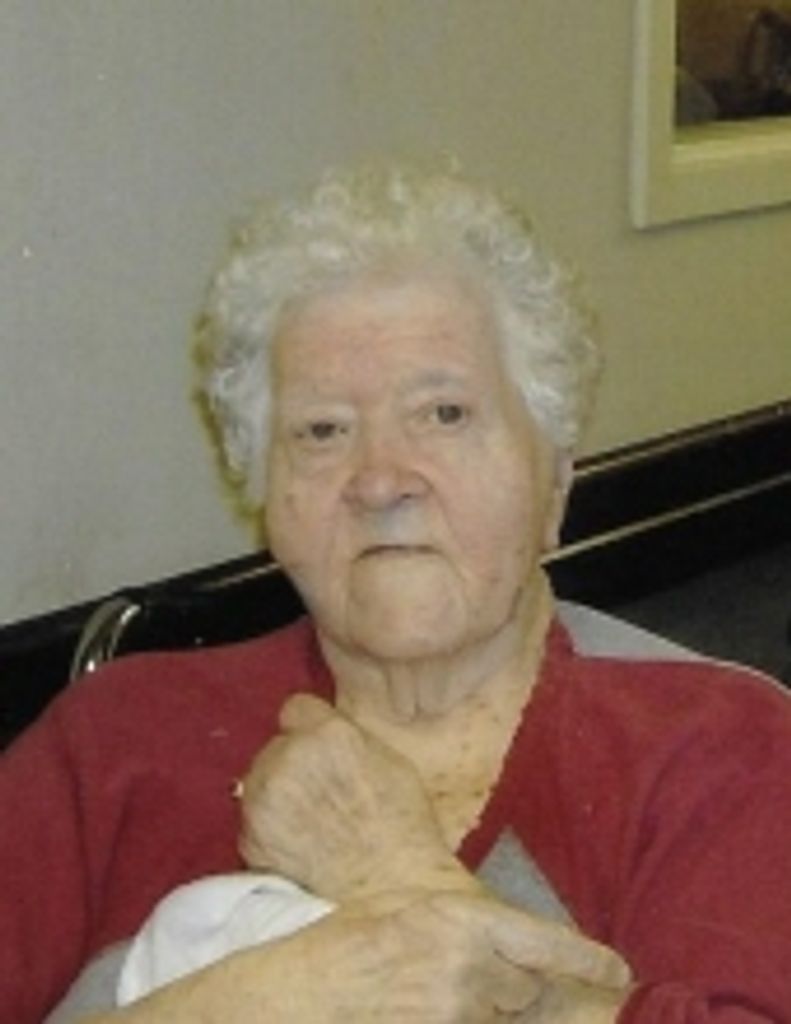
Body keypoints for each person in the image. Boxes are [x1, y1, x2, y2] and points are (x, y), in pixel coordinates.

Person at [2, 164, 791, 1023]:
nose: (379, 480)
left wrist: (395, 878)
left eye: (443, 414)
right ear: (265, 495)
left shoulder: (716, 751)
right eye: (321, 431)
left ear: (555, 485)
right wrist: (250, 1002)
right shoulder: (115, 741)